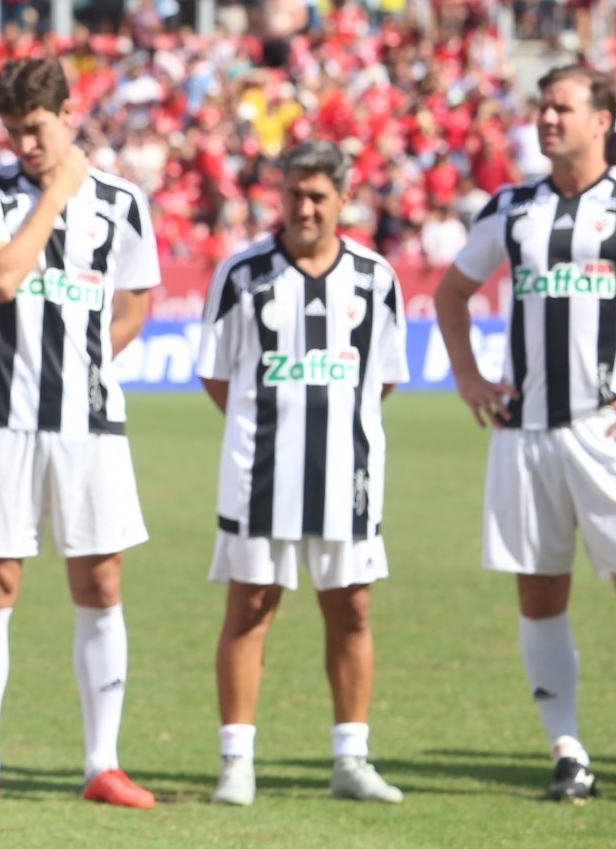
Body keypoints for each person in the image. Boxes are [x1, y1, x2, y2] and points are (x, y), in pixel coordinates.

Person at [433, 66, 616, 804]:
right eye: (542, 107)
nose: (545, 119)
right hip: (525, 432)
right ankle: (567, 749)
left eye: (561, 108)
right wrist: (469, 375)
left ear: (601, 120)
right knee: (540, 594)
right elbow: (452, 291)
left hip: (612, 431)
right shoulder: (512, 206)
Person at [0, 56, 160, 811]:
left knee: (100, 582)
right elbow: (2, 279)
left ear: (68, 114)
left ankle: (102, 761)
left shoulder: (125, 202)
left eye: (36, 130)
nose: (25, 147)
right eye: (14, 132)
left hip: (91, 422)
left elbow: (136, 300)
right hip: (4, 420)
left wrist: (92, 360)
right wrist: (55, 194)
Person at [195, 140, 409, 806]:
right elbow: (216, 375)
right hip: (258, 474)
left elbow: (385, 381)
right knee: (250, 606)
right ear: (279, 198)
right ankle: (237, 762)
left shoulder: (376, 279)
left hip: (348, 476)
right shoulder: (240, 274)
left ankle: (351, 757)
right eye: (295, 195)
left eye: (319, 196)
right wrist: (271, 428)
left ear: (344, 199)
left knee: (352, 608)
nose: (306, 208)